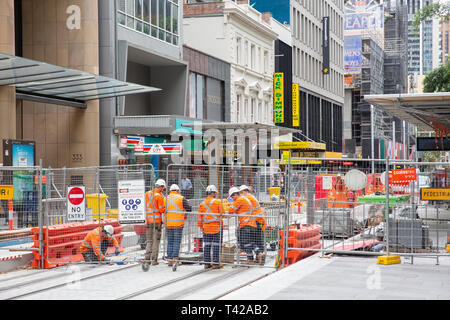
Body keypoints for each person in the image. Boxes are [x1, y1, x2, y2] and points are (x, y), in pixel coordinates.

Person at [227, 186, 258, 265]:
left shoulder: (239, 199)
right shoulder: (244, 198)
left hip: (246, 224)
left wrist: (227, 207)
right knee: (250, 242)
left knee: (246, 243)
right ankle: (258, 253)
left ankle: (250, 259)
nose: (232, 199)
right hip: (251, 224)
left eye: (232, 197)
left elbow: (231, 210)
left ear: (235, 195)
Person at [198, 185, 224, 269]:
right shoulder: (217, 202)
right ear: (213, 193)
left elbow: (200, 217)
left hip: (206, 228)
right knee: (216, 245)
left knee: (207, 245)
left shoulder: (202, 204)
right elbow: (222, 213)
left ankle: (207, 263)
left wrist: (201, 226)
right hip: (216, 227)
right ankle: (216, 263)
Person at [165, 184, 192, 267]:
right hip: (178, 224)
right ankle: (175, 259)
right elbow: (189, 208)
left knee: (170, 241)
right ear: (177, 190)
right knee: (176, 241)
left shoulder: (165, 198)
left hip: (168, 224)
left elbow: (163, 209)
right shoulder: (181, 198)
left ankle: (169, 259)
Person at [241, 185, 267, 265]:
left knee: (251, 240)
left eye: (241, 193)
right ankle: (260, 256)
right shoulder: (251, 197)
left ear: (244, 191)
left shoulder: (247, 198)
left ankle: (259, 255)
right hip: (259, 220)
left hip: (255, 221)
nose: (240, 195)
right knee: (258, 240)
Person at [144, 179, 166, 265]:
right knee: (156, 240)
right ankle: (154, 259)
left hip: (148, 220)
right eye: (163, 187)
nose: (163, 189)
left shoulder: (147, 193)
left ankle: (147, 258)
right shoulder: (159, 196)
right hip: (157, 221)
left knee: (149, 240)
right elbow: (162, 209)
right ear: (160, 187)